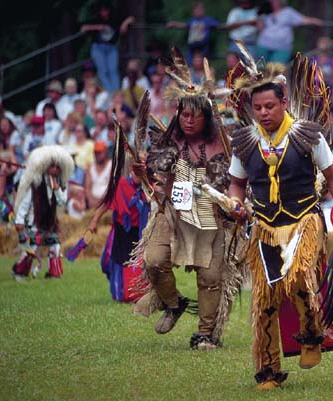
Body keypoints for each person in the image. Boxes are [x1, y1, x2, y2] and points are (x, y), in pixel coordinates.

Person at [227, 51, 333, 390]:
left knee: (298, 278)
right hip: (265, 226)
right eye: (258, 108)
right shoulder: (245, 142)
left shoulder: (308, 135)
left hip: (304, 221)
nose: (264, 113)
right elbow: (237, 184)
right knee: (264, 298)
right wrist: (236, 204)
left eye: (270, 106)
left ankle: (312, 334)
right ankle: (268, 371)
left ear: (284, 102)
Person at [129, 48, 239, 351]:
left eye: (196, 115)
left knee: (211, 275)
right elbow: (155, 172)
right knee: (154, 261)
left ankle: (206, 334)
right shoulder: (170, 140)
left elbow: (237, 182)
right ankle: (174, 304)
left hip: (209, 216)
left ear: (207, 117)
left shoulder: (224, 146)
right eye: (184, 114)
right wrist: (144, 171)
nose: (189, 120)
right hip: (173, 214)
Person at [12, 145, 74, 281]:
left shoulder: (62, 183)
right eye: (52, 166)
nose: (55, 170)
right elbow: (25, 203)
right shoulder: (36, 182)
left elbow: (62, 201)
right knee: (31, 248)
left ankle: (54, 274)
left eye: (58, 167)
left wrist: (57, 189)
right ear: (46, 166)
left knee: (55, 246)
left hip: (51, 222)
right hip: (36, 222)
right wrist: (20, 220)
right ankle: (19, 272)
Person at [88, 171, 150, 302]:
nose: (137, 175)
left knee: (141, 263)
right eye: (136, 172)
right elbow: (106, 203)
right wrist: (94, 221)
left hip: (140, 232)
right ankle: (120, 291)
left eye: (141, 172)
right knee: (119, 261)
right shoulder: (120, 185)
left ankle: (140, 292)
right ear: (131, 171)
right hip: (122, 231)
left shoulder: (149, 187)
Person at [80, 2, 135, 94]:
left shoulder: (114, 19)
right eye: (102, 11)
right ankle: (110, 93)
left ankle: (116, 92)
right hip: (98, 47)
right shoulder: (96, 19)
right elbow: (83, 28)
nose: (104, 13)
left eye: (106, 10)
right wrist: (97, 27)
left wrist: (124, 24)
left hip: (111, 48)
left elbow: (131, 19)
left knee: (113, 70)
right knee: (103, 71)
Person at [255, 0, 323, 63]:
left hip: (282, 47)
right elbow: (260, 28)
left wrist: (315, 21)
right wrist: (260, 15)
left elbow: (303, 20)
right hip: (264, 45)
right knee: (261, 69)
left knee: (275, 70)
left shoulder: (288, 12)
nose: (273, 2)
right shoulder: (266, 13)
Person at [85, 140, 111, 209]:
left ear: (105, 152)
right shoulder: (90, 167)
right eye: (96, 153)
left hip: (107, 202)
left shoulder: (111, 166)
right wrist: (91, 201)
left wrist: (100, 202)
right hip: (93, 202)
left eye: (100, 152)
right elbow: (87, 188)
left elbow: (112, 188)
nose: (97, 155)